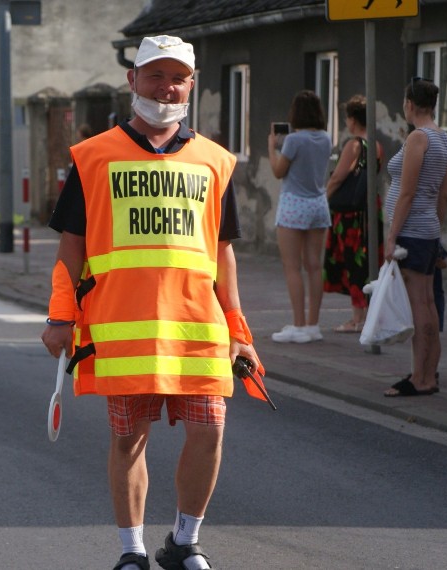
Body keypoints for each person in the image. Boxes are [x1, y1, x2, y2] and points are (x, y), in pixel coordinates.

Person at [41, 35, 266, 570]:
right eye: (156, 76)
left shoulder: (215, 161)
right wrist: (59, 315)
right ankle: (132, 552)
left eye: (178, 78)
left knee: (210, 430)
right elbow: (71, 247)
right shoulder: (93, 156)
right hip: (123, 330)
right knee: (128, 442)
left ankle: (184, 542)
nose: (167, 88)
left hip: (198, 328)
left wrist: (239, 329)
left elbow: (222, 254)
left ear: (192, 84)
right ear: (132, 80)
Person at [383, 77, 447, 397]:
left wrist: (391, 235)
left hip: (411, 232)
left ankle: (421, 378)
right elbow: (445, 194)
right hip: (427, 230)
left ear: (410, 104)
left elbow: (407, 193)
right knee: (428, 303)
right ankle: (426, 374)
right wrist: (436, 232)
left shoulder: (418, 139)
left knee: (418, 306)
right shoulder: (444, 138)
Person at [268, 90, 333, 343]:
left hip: (294, 204)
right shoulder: (326, 139)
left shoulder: (293, 141)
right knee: (314, 265)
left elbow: (277, 171)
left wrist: (272, 148)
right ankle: (313, 325)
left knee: (292, 266)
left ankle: (297, 324)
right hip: (319, 204)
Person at [323, 95, 384, 333]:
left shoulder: (355, 144)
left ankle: (357, 318)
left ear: (352, 119)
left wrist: (324, 197)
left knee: (353, 261)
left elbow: (339, 176)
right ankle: (366, 315)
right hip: (370, 209)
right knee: (369, 262)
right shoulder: (377, 145)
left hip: (350, 214)